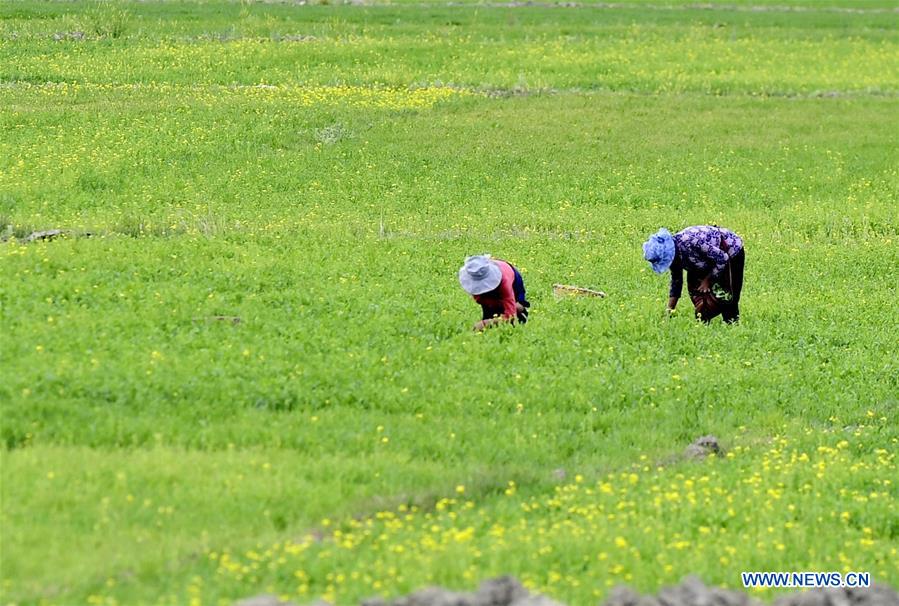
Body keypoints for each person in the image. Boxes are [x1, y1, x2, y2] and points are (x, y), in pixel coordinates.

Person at [642, 225, 745, 323]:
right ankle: (703, 325)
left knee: (727, 294)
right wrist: (670, 310)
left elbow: (723, 258)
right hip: (705, 260)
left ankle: (731, 324)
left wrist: (708, 280)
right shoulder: (674, 257)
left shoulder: (691, 242)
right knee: (699, 294)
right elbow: (676, 281)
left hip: (730, 251)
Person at [458, 255, 530, 331]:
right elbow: (480, 299)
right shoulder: (475, 282)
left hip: (511, 276)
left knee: (516, 308)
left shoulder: (505, 283)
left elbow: (511, 316)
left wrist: (486, 323)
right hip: (498, 271)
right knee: (491, 310)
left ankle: (521, 318)